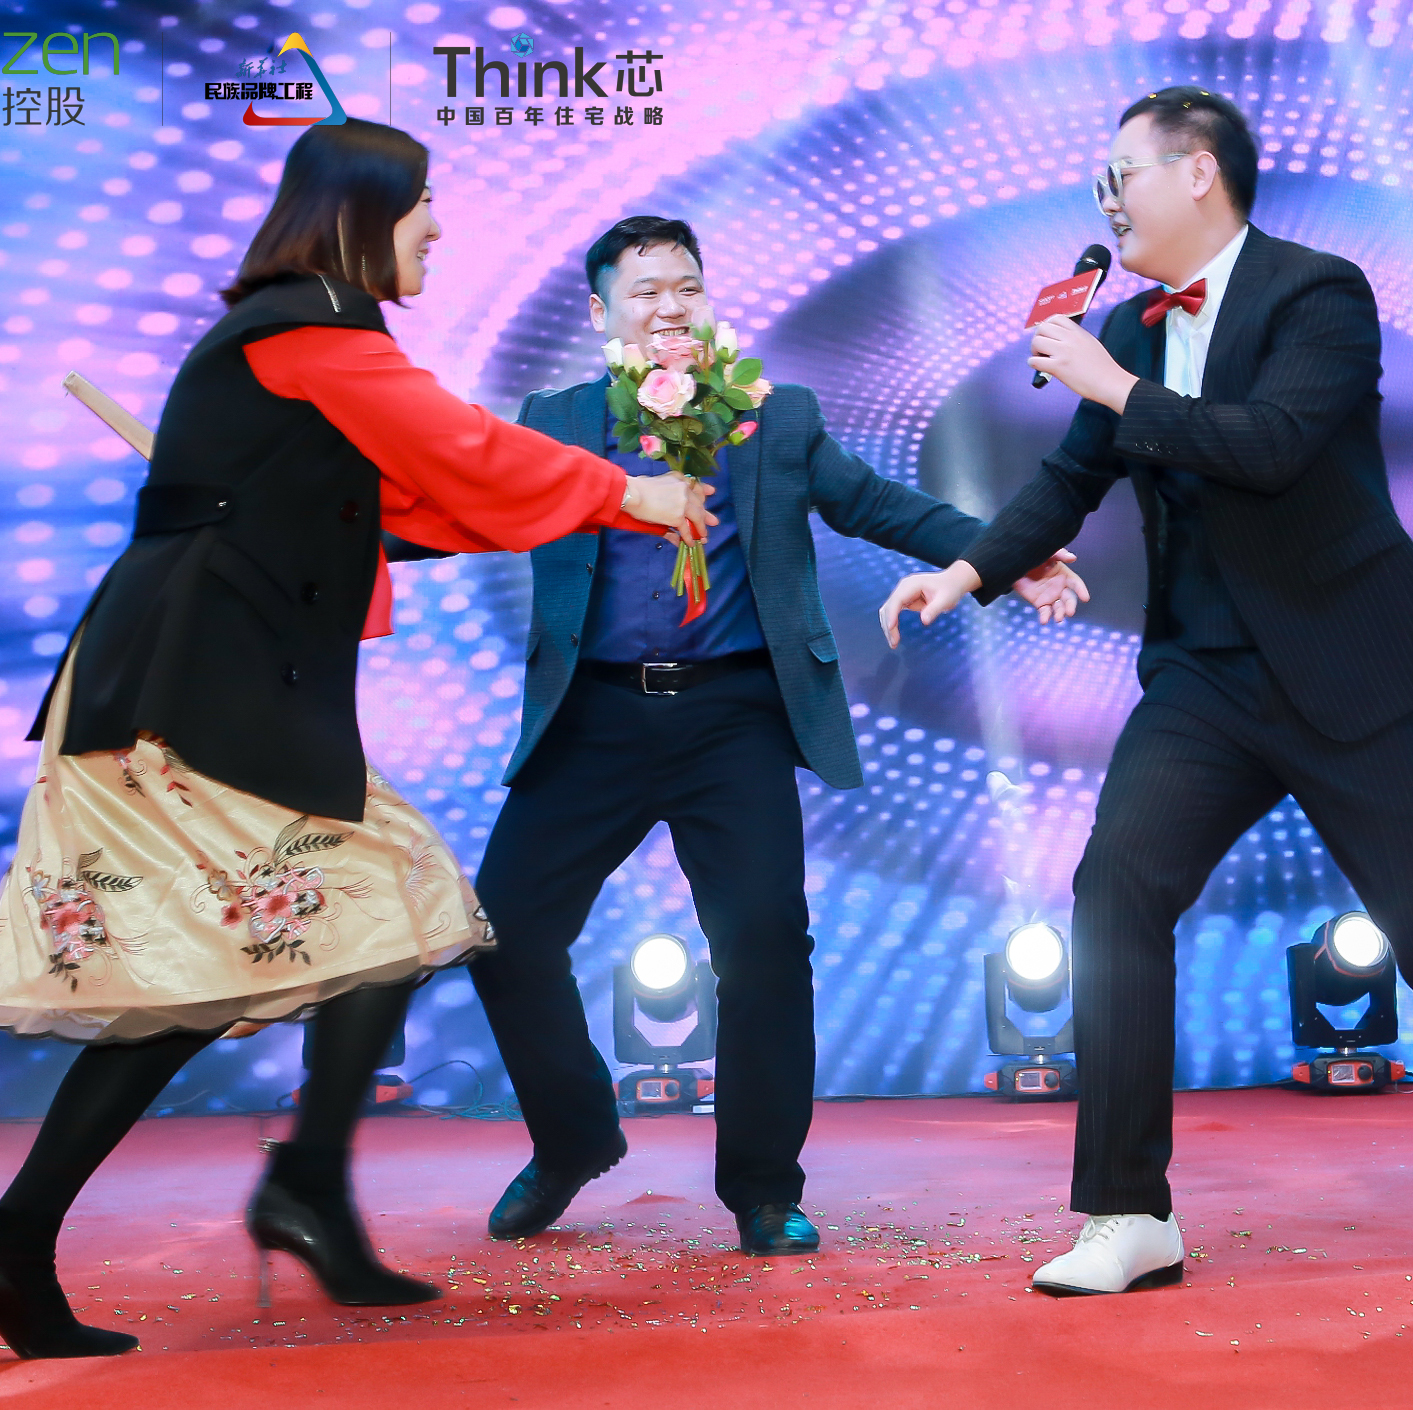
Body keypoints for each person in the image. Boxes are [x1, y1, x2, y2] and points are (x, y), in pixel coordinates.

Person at [0, 120, 710, 1371]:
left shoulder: (315, 339)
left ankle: (52, 1234)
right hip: (188, 690)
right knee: (377, 904)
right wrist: (624, 491)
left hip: (222, 683)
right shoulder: (311, 330)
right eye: (421, 203)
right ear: (361, 214)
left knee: (299, 941)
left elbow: (415, 499)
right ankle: (252, 1196)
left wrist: (577, 505)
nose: (438, 227)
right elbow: (460, 449)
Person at [879, 88, 1413, 1296]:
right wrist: (966, 571)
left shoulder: (1317, 293)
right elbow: (1070, 478)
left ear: (1198, 172)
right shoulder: (1127, 334)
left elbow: (1272, 446)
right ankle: (1129, 1212)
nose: (1106, 201)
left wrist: (1116, 388)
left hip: (1347, 663)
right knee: (1117, 886)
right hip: (1204, 675)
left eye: (1122, 174)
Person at [457, 216, 1085, 1256]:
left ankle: (760, 1186)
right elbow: (469, 506)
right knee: (504, 934)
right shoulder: (555, 421)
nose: (670, 307)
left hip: (732, 718)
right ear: (602, 312)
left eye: (687, 287)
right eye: (646, 291)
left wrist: (1005, 556)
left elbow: (876, 504)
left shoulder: (771, 416)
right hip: (593, 715)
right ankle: (572, 1140)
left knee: (763, 951)